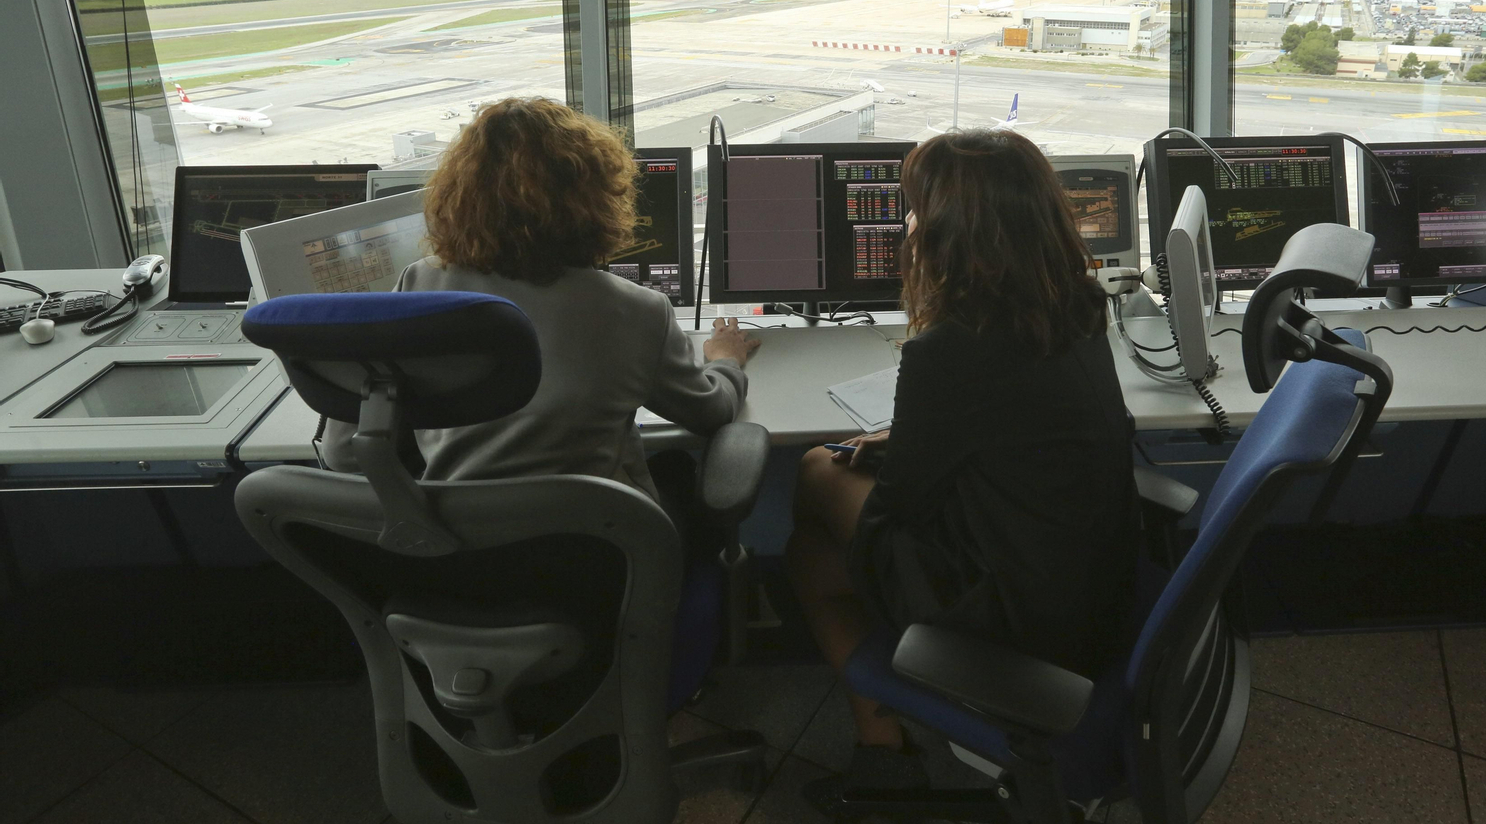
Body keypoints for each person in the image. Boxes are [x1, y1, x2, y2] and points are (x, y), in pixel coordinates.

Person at [785, 128, 1139, 802]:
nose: (910, 224)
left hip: (1021, 619)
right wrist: (913, 437)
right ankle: (881, 752)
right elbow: (1023, 424)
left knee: (815, 473)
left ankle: (887, 751)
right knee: (812, 556)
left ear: (951, 231)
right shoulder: (1078, 304)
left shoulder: (948, 351)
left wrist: (896, 451)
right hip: (1091, 586)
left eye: (917, 209)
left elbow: (900, 509)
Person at [321, 96, 758, 529]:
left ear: (458, 197)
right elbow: (711, 413)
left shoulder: (419, 284)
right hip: (602, 552)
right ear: (599, 200)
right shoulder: (638, 310)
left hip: (460, 551)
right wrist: (725, 361)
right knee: (676, 469)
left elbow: (343, 453)